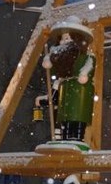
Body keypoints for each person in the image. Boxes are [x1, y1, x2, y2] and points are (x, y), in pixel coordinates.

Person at [37, 16, 95, 148]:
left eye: (68, 38)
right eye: (63, 38)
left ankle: (77, 139)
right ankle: (65, 138)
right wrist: (49, 59)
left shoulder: (86, 55)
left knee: (78, 116)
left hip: (79, 90)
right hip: (65, 88)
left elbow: (89, 64)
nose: (65, 41)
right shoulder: (60, 56)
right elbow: (53, 68)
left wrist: (84, 73)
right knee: (65, 117)